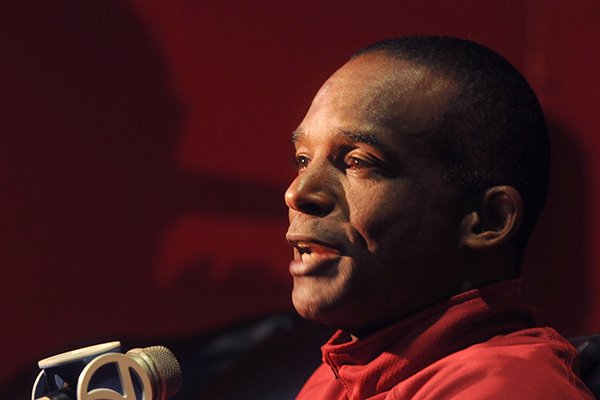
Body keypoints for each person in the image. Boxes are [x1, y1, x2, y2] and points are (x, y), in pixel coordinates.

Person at [284, 36, 594, 399]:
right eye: (303, 160)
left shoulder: (507, 388)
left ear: (488, 221)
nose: (297, 193)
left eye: (358, 162)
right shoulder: (334, 379)